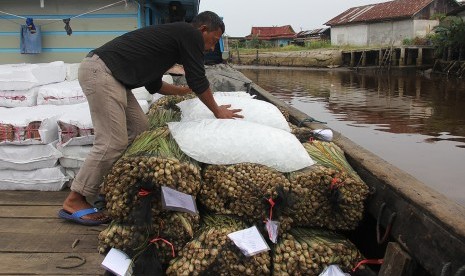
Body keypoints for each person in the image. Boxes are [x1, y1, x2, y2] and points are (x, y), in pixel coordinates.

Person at [58, 11, 243, 225]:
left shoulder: (169, 44)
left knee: (140, 130)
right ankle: (75, 199)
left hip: (115, 78)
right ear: (203, 30)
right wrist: (217, 111)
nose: (212, 48)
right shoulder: (189, 34)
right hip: (102, 72)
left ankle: (109, 186)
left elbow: (154, 85)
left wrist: (182, 92)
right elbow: (197, 77)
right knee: (111, 142)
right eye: (214, 40)